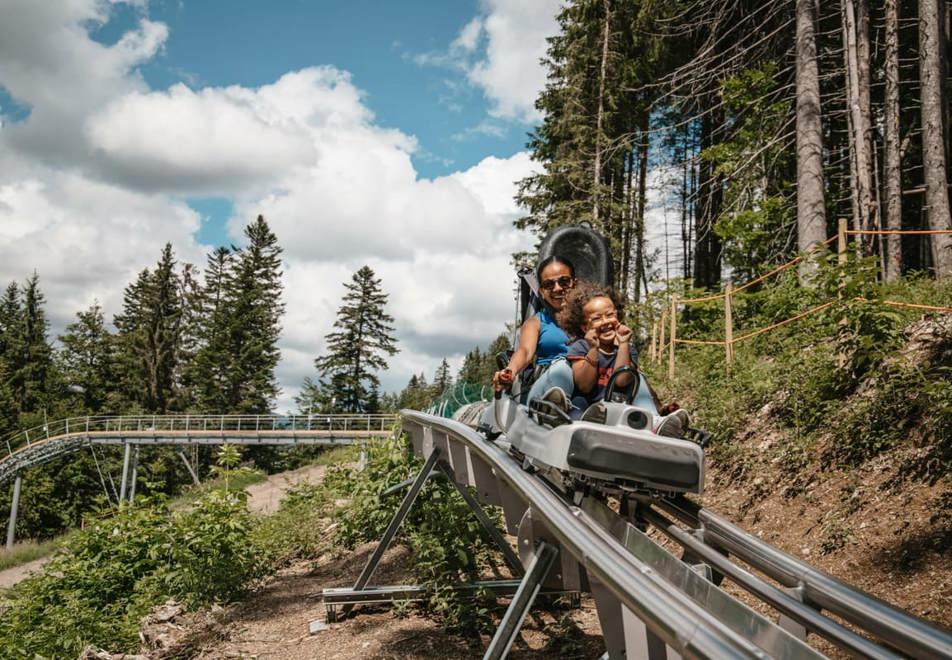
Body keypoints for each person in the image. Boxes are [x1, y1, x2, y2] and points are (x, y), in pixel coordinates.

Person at [559, 281, 690, 437]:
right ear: (585, 327)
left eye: (610, 315)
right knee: (578, 406)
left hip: (618, 405)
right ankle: (587, 422)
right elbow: (584, 386)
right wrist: (593, 349)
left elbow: (622, 381)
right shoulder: (581, 346)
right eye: (597, 318)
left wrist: (623, 344)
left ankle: (657, 424)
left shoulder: (627, 348)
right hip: (588, 405)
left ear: (618, 316)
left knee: (636, 389)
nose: (606, 321)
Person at [492, 256, 577, 404]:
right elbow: (524, 352)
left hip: (586, 386)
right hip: (547, 389)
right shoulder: (535, 323)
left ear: (574, 283)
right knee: (562, 369)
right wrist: (509, 372)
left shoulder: (593, 317)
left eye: (564, 281)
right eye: (549, 284)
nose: (557, 288)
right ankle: (553, 408)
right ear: (542, 292)